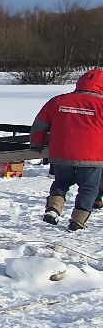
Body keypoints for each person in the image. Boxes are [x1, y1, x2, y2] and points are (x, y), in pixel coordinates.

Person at [30, 68, 103, 231]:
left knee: (61, 182)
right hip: (92, 157)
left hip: (61, 153)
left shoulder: (58, 101)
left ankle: (53, 209)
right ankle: (78, 220)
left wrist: (36, 144)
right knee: (89, 188)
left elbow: (40, 124)